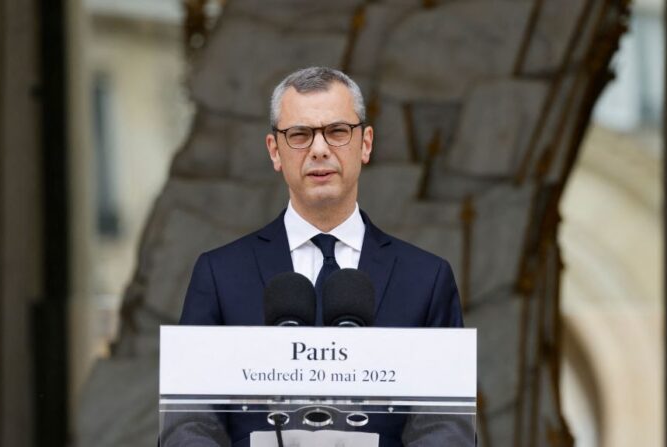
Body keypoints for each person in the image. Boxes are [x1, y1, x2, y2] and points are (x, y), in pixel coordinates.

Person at [173, 67, 474, 446]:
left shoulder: (426, 280)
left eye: (336, 131)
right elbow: (189, 424)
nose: (319, 149)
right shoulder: (220, 276)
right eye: (299, 134)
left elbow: (445, 429)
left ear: (365, 144)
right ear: (274, 151)